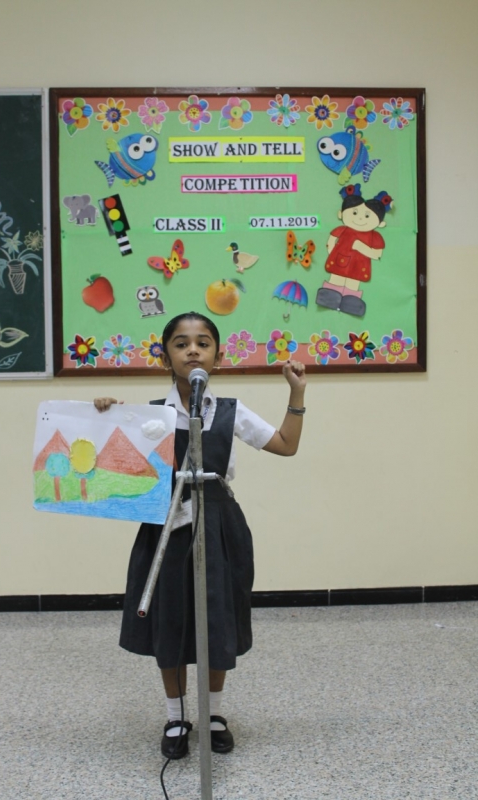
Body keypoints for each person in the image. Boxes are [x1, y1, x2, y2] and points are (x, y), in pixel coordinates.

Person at [94, 311, 306, 759]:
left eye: (203, 343)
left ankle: (213, 715)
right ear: (165, 357)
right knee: (169, 618)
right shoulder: (148, 415)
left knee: (217, 618)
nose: (193, 350)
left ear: (218, 356)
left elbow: (286, 445)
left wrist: (297, 393)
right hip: (166, 527)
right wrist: (105, 416)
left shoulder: (231, 411)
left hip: (220, 524)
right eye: (182, 343)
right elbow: (111, 465)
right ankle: (176, 716)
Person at [315, 183, 393, 317]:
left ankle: (350, 304)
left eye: (367, 216)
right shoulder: (343, 230)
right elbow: (331, 240)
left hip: (358, 265)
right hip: (339, 261)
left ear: (380, 224)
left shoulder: (375, 237)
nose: (360, 218)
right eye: (355, 213)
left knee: (353, 283)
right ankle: (329, 299)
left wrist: (362, 247)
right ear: (341, 214)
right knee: (336, 279)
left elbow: (377, 255)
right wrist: (333, 253)